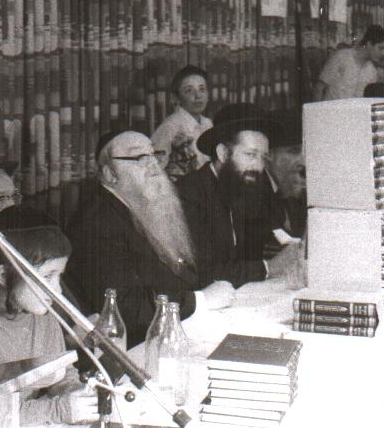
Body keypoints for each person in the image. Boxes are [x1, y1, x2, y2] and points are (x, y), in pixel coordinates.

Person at [64, 130, 234, 348]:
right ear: (109, 173)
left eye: (154, 155)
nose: (153, 165)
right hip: (133, 348)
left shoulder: (141, 207)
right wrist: (200, 301)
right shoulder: (96, 223)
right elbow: (123, 308)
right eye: (139, 157)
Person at [177, 103, 305, 288]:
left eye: (262, 157)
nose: (258, 167)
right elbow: (204, 272)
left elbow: (255, 248)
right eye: (250, 155)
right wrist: (269, 267)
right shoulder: (189, 194)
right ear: (223, 153)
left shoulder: (244, 187)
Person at [0, 225, 99, 425]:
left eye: (59, 276)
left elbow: (59, 374)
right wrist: (58, 410)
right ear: (2, 276)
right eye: (46, 277)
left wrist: (77, 393)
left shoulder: (43, 317)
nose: (57, 290)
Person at [151, 65, 212, 180]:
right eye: (189, 91)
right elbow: (154, 171)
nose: (197, 96)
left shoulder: (208, 124)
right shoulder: (169, 127)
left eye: (202, 89)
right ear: (176, 98)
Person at [313, 25, 384, 101]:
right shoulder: (341, 57)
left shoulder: (372, 72)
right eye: (381, 48)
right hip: (331, 108)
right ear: (369, 44)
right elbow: (319, 88)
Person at [266, 111, 306, 238]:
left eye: (304, 152)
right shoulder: (254, 196)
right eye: (294, 151)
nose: (303, 161)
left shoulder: (291, 188)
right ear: (268, 154)